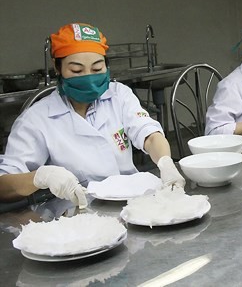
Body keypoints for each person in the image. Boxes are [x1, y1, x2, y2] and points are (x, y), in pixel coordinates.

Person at [0, 23, 185, 207]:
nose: (88, 77)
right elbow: (4, 185)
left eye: (97, 69)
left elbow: (150, 136)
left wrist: (165, 162)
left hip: (134, 204)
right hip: (75, 214)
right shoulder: (37, 119)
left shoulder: (118, 95)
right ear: (58, 69)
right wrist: (40, 178)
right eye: (77, 71)